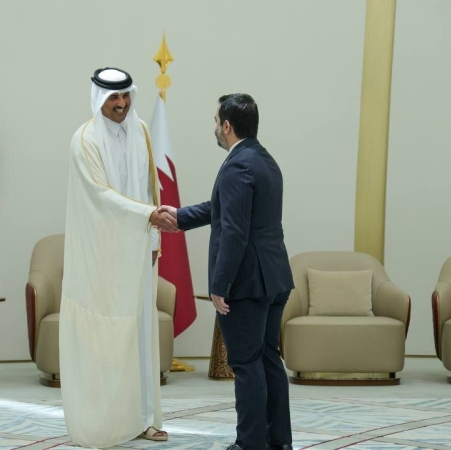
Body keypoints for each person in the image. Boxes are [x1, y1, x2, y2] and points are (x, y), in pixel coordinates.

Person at [159, 94, 294, 450]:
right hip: (274, 277)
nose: (215, 128)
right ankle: (278, 442)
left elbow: (234, 231)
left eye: (216, 121)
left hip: (247, 283)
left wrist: (221, 284)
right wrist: (180, 216)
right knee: (268, 360)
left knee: (246, 364)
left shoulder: (237, 166)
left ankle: (250, 444)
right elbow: (225, 208)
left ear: (228, 126)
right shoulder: (263, 159)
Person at [59, 67, 177, 448]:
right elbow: (101, 195)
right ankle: (104, 422)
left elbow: (150, 188)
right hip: (101, 256)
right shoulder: (84, 140)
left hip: (138, 251)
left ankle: (144, 418)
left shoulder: (140, 131)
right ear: (99, 99)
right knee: (104, 339)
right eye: (113, 97)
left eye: (125, 96)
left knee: (140, 335)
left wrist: (154, 237)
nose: (122, 104)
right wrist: (148, 216)